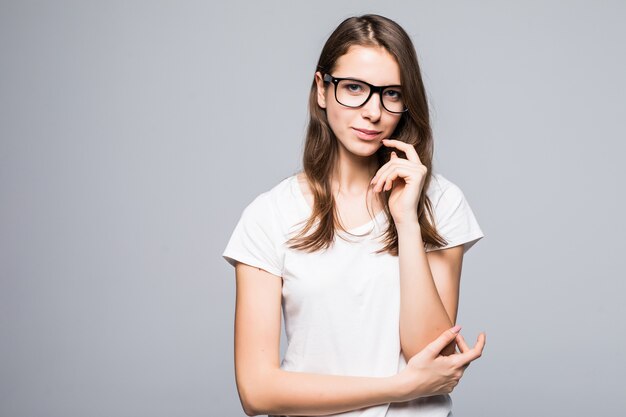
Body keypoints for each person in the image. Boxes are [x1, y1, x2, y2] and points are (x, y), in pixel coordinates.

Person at [222, 14, 486, 417]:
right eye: (354, 89)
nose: (373, 112)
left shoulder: (440, 202)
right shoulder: (271, 214)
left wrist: (406, 221)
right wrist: (401, 387)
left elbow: (431, 351)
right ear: (322, 90)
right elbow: (257, 391)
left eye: (391, 94)